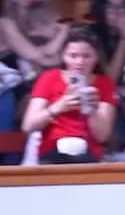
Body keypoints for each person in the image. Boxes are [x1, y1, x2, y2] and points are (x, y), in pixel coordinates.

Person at [22, 24, 116, 163]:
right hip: (52, 151)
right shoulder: (49, 77)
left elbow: (102, 136)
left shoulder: (104, 84)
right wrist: (58, 107)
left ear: (96, 57)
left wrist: (92, 109)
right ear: (63, 56)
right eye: (73, 56)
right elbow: (28, 125)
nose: (80, 62)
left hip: (88, 154)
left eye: (86, 56)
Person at [0, 0, 69, 80]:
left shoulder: (54, 17)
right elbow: (35, 55)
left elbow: (69, 53)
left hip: (55, 80)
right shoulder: (6, 23)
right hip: (16, 87)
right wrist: (62, 34)